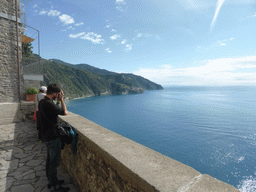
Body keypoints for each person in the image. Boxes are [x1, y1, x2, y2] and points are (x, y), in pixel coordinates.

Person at [38, 84, 69, 192]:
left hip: (46, 136)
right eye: (58, 94)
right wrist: (62, 100)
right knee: (54, 162)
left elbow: (55, 108)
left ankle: (52, 181)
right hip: (52, 137)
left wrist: (58, 101)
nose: (59, 96)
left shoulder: (43, 102)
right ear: (55, 94)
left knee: (49, 160)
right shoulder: (48, 104)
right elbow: (64, 112)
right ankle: (55, 187)